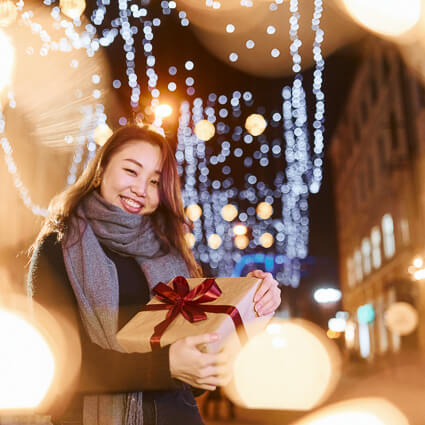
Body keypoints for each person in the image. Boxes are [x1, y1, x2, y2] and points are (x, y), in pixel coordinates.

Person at [26, 124, 282, 425]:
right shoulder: (59, 248)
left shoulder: (170, 254)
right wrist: (166, 364)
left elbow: (195, 384)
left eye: (155, 181)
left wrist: (252, 301)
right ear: (101, 169)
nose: (141, 189)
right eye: (131, 171)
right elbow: (56, 365)